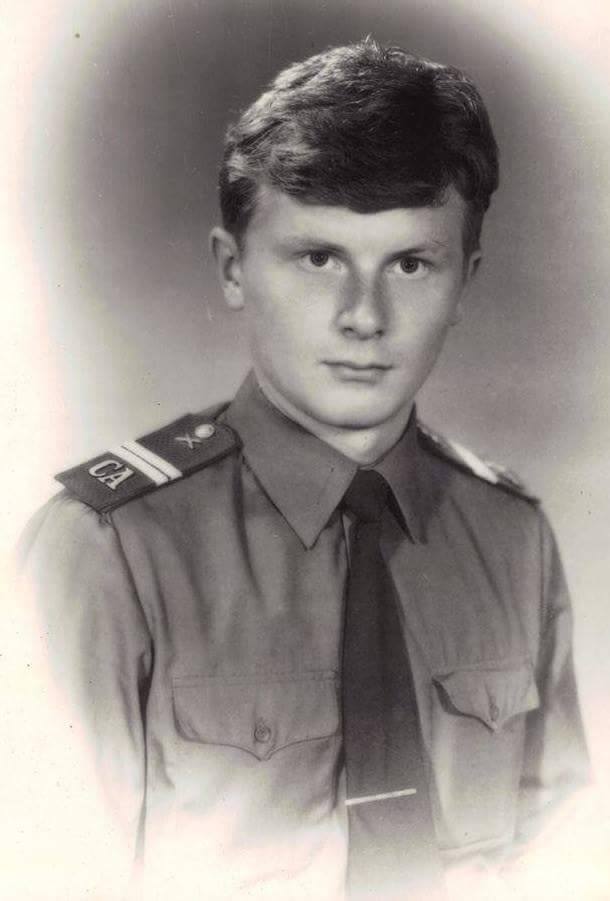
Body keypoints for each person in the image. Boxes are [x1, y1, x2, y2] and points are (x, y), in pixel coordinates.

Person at [19, 38, 591, 900]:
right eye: (319, 258)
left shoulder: (512, 539)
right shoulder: (107, 550)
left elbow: (566, 862)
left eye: (410, 263)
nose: (365, 316)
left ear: (464, 283)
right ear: (233, 268)